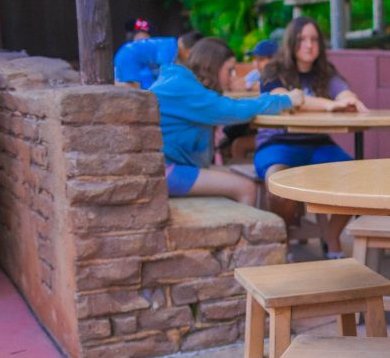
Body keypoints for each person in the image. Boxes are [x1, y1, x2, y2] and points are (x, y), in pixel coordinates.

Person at [255, 16, 368, 259]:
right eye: (302, 39)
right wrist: (329, 105)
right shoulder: (272, 71)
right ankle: (283, 236)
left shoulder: (325, 71)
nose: (309, 45)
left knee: (358, 177)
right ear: (291, 42)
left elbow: (342, 91)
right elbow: (285, 100)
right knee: (277, 185)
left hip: (317, 144)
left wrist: (349, 99)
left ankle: (332, 234)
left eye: (314, 39)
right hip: (278, 143)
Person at [150, 37, 303, 205]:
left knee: (236, 176)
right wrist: (285, 100)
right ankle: (245, 232)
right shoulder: (186, 90)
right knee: (246, 188)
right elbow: (236, 110)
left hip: (161, 167)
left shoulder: (179, 81)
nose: (232, 78)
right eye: (229, 70)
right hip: (164, 172)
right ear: (214, 67)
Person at [114, 31, 203, 90]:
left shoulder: (171, 44)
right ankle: (112, 84)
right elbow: (166, 75)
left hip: (128, 53)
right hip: (129, 56)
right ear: (187, 51)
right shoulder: (170, 50)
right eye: (190, 56)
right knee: (133, 87)